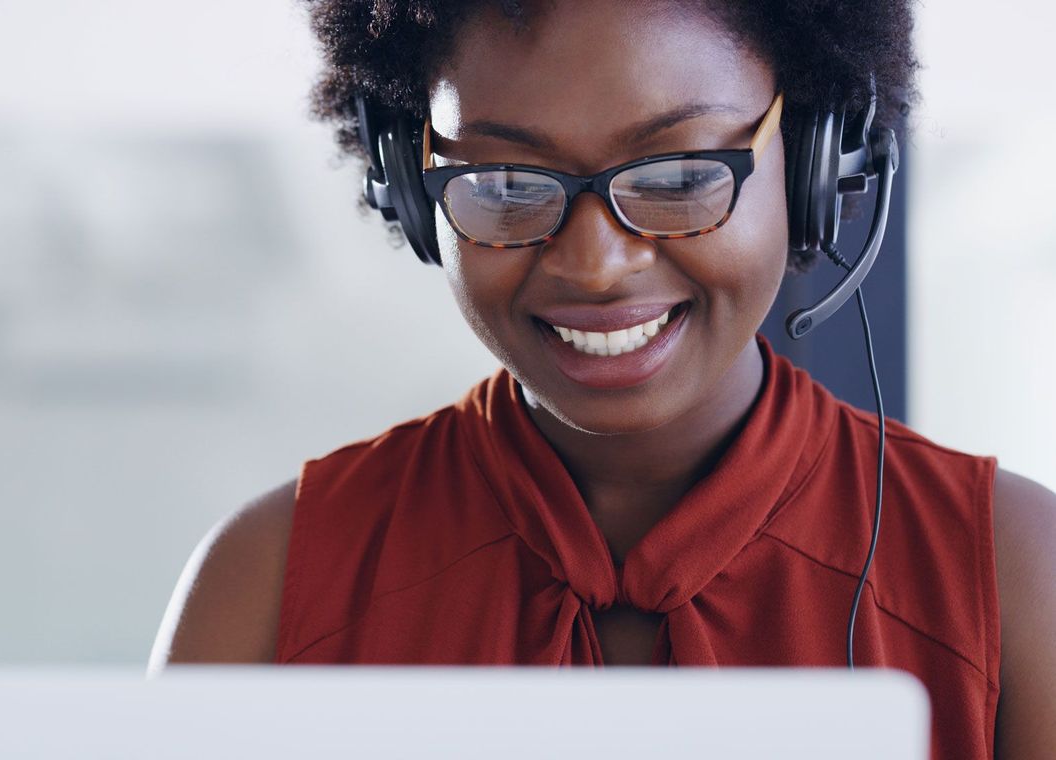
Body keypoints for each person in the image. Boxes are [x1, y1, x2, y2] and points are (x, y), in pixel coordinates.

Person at [149, 1, 1056, 756]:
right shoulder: (269, 582)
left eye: (680, 175)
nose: (594, 265)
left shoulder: (1014, 573)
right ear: (412, 187)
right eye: (506, 185)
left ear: (817, 158)